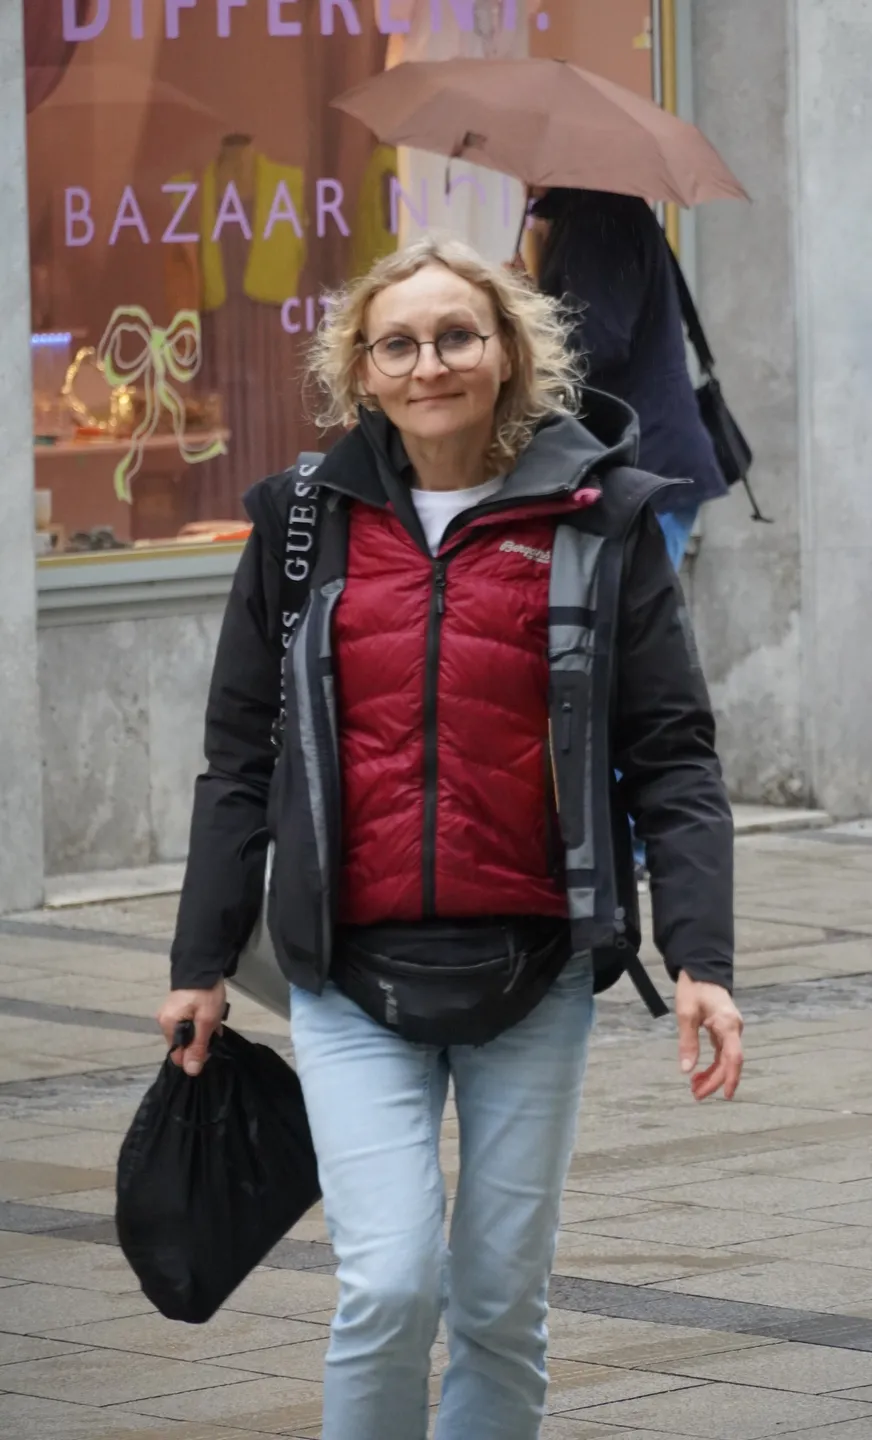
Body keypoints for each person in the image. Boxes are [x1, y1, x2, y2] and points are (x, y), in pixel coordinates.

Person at [158, 236, 743, 1440]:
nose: (429, 364)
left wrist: (700, 958)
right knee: (387, 1286)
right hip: (344, 969)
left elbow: (672, 754)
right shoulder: (301, 522)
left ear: (507, 354)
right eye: (399, 344)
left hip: (534, 968)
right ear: (361, 372)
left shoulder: (599, 518)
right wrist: (200, 962)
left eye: (457, 336)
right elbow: (239, 758)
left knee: (498, 1302)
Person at [530, 186, 729, 574]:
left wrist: (527, 327)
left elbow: (596, 341)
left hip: (644, 466)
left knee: (637, 608)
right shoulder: (599, 210)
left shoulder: (597, 216)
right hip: (646, 460)